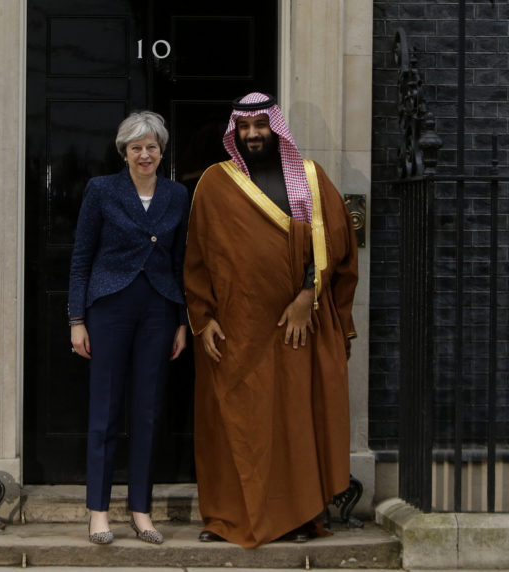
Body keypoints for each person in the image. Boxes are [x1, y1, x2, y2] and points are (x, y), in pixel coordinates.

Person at [184, 92, 358, 548]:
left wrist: (306, 297)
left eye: (261, 125)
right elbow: (197, 258)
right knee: (234, 424)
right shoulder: (214, 183)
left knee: (294, 422)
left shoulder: (309, 179)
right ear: (234, 132)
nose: (253, 134)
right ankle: (225, 517)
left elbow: (335, 244)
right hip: (236, 330)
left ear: (275, 128)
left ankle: (301, 517)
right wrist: (202, 319)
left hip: (295, 328)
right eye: (244, 127)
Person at [68, 111, 190, 545]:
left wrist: (180, 320)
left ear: (161, 151)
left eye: (152, 147)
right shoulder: (101, 191)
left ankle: (141, 511)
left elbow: (179, 263)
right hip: (109, 310)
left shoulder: (177, 195)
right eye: (136, 147)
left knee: (148, 414)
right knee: (104, 412)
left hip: (158, 310)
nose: (144, 154)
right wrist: (77, 320)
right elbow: (82, 257)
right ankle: (98, 513)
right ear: (124, 152)